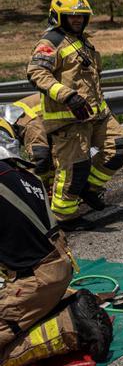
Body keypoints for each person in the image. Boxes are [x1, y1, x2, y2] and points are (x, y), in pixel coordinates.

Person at [0, 117, 113, 365]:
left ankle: (70, 325)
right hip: (56, 272)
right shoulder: (25, 175)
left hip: (32, 282)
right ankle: (58, 305)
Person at [26, 0, 123, 227]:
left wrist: (102, 110)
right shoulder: (50, 42)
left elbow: (92, 82)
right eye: (71, 16)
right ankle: (64, 217)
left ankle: (87, 188)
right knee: (74, 169)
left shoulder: (83, 42)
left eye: (81, 17)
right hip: (68, 120)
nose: (77, 20)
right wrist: (67, 96)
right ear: (57, 16)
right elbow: (36, 72)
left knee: (121, 146)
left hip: (96, 116)